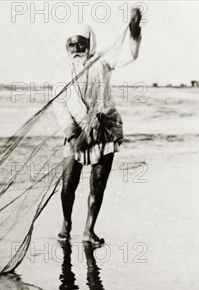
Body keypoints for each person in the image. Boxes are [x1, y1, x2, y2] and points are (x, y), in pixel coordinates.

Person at [54, 9, 143, 246]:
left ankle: (89, 230)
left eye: (80, 44)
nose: (76, 49)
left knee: (98, 184)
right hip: (75, 134)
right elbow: (59, 104)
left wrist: (134, 30)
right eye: (71, 44)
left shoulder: (101, 62)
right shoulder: (62, 70)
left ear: (89, 43)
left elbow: (129, 55)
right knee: (68, 184)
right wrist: (73, 135)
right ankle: (66, 222)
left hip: (104, 131)